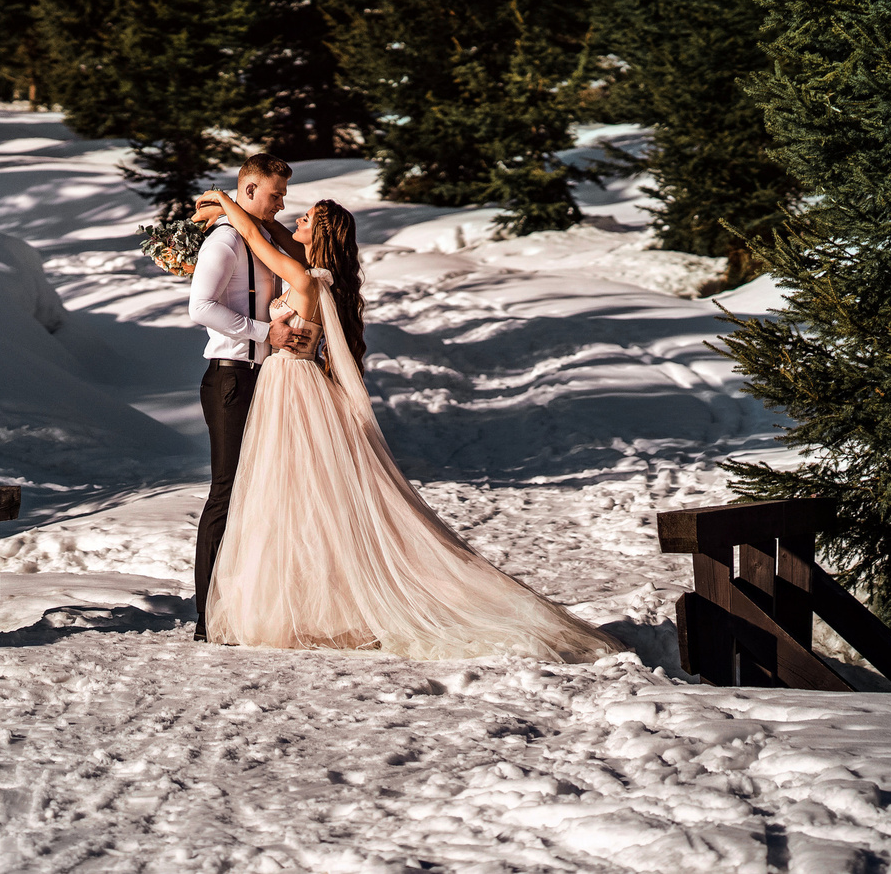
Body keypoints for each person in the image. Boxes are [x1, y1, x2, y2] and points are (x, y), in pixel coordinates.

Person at [197, 187, 625, 663]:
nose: (293, 221)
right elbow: (269, 234)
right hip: (290, 382)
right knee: (293, 493)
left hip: (290, 384)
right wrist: (230, 214)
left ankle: (296, 603)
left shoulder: (301, 274)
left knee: (291, 490)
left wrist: (223, 201)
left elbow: (257, 240)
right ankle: (302, 596)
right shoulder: (318, 271)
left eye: (304, 220)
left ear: (316, 235)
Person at [186, 153, 315, 641]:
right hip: (230, 378)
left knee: (254, 494)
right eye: (275, 194)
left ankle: (240, 603)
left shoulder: (257, 240)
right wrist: (266, 333)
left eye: (284, 195)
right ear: (250, 190)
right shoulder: (225, 241)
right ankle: (206, 617)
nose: (282, 203)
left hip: (262, 377)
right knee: (226, 491)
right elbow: (200, 307)